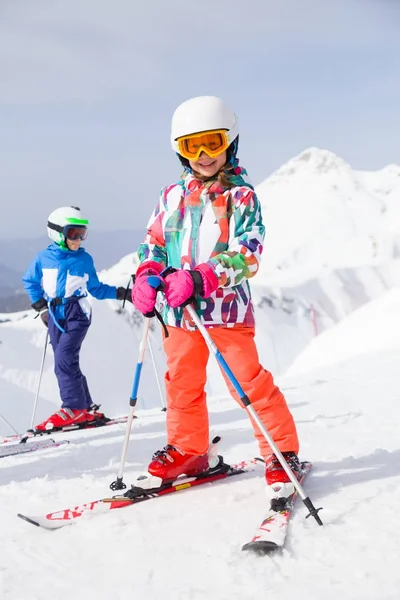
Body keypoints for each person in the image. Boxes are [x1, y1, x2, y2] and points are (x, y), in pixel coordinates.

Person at [132, 96, 300, 494]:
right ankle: (189, 449)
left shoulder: (242, 197)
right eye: (193, 146)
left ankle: (281, 452)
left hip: (225, 311)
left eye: (213, 142)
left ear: (230, 142)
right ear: (180, 151)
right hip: (177, 313)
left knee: (248, 383)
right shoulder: (170, 195)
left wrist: (204, 276)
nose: (205, 155)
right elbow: (154, 243)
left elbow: (248, 253)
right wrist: (147, 273)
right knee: (181, 383)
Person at [23, 206, 132, 432]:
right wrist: (41, 306)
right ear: (57, 233)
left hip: (77, 313)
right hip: (54, 314)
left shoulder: (84, 259)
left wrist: (123, 293)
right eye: (74, 233)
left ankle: (73, 407)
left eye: (82, 234)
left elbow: (96, 288)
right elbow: (30, 281)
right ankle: (85, 406)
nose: (79, 239)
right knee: (67, 361)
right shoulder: (43, 259)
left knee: (64, 358)